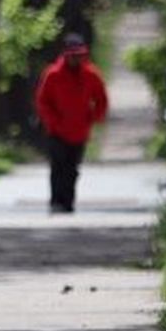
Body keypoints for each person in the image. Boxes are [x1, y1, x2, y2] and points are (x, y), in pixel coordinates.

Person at [34, 31, 108, 213]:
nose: (76, 59)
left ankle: (68, 202)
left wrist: (93, 118)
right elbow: (43, 101)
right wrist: (52, 122)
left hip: (79, 131)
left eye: (79, 55)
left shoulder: (91, 74)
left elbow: (101, 100)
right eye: (73, 55)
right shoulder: (52, 75)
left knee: (73, 168)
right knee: (58, 166)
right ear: (65, 55)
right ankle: (56, 201)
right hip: (57, 131)